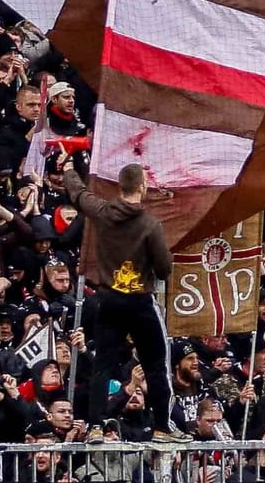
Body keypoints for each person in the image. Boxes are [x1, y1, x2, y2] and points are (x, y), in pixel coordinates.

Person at [61, 163, 181, 443]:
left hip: (108, 299)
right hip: (139, 302)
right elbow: (164, 269)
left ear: (120, 186)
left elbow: (78, 193)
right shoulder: (150, 225)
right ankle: (163, 428)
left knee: (103, 365)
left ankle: (95, 427)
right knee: (155, 365)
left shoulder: (102, 212)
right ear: (142, 186)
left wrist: (69, 168)